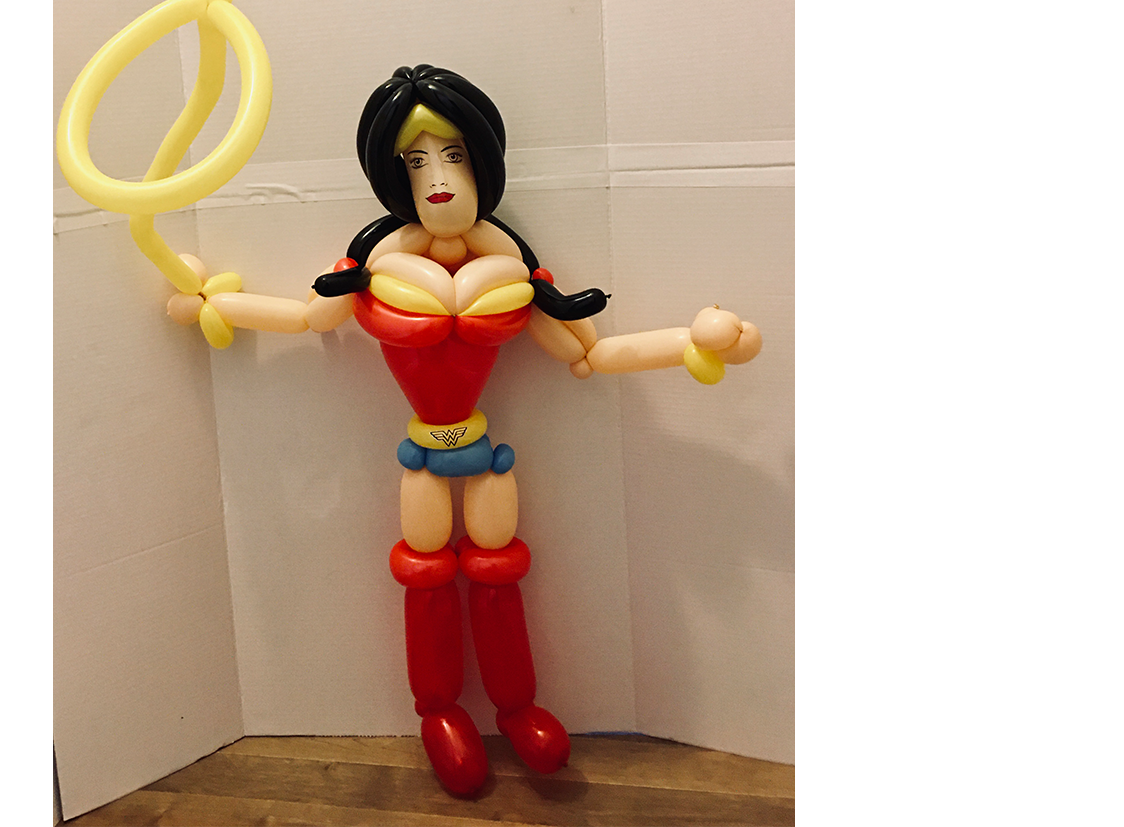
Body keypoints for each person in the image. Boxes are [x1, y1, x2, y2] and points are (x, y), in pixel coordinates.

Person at [167, 65, 761, 794]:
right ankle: (440, 713)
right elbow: (305, 317)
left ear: (481, 161)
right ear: (397, 175)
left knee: (498, 568)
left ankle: (518, 707)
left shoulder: (513, 270)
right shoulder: (370, 266)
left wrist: (691, 345)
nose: (438, 178)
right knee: (425, 574)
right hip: (422, 453)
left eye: (452, 155)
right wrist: (212, 304)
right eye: (417, 161)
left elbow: (589, 355)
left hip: (484, 456)